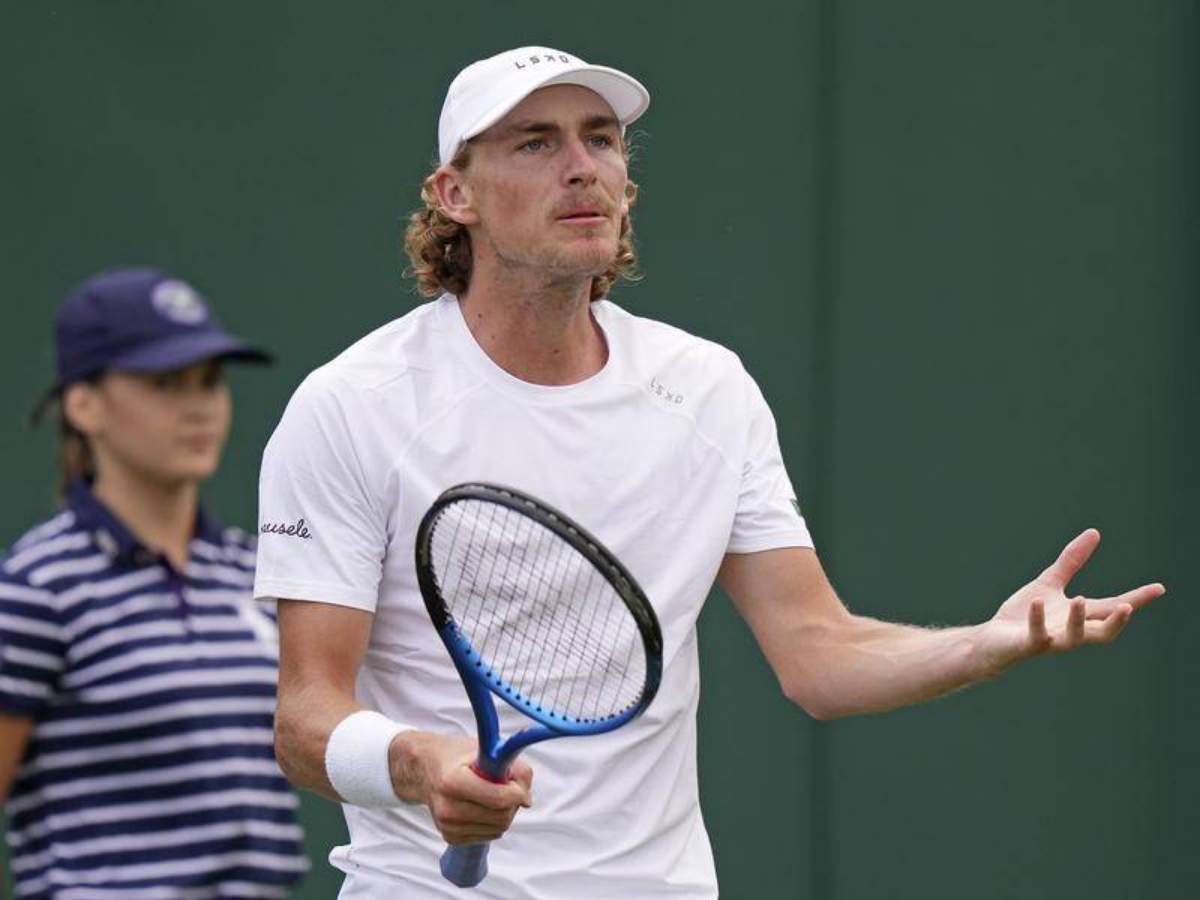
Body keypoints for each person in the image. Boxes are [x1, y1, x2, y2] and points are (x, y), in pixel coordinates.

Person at [255, 46, 1165, 899]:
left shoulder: (706, 389)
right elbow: (305, 719)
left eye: (601, 140)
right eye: (536, 142)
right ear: (455, 193)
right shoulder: (355, 405)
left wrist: (986, 642)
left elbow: (820, 655)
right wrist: (417, 762)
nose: (583, 168)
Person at [0, 268, 309, 899]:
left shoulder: (255, 573)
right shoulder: (35, 590)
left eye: (210, 382)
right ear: (83, 405)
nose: (198, 406)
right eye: (165, 383)